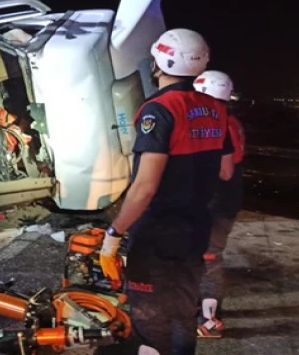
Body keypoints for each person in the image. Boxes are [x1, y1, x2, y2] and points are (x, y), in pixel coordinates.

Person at [98, 29, 235, 355]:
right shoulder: (217, 110)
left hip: (158, 231)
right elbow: (224, 170)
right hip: (196, 227)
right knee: (182, 310)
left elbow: (145, 187)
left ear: (158, 63)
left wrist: (115, 232)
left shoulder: (158, 109)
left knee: (149, 317)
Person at [193, 70, 246, 338]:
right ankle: (202, 311)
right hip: (225, 201)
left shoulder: (217, 123)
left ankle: (210, 320)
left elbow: (222, 170)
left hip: (214, 203)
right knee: (205, 256)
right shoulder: (231, 120)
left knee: (209, 258)